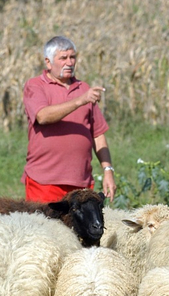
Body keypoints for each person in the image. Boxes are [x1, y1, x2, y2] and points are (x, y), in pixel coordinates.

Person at [21, 35, 116, 203]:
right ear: (48, 63)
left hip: (81, 182)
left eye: (73, 57)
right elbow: (42, 116)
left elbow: (98, 135)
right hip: (44, 181)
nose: (70, 62)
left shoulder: (84, 89)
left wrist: (108, 169)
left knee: (78, 229)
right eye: (63, 58)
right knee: (43, 228)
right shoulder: (35, 85)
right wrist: (80, 100)